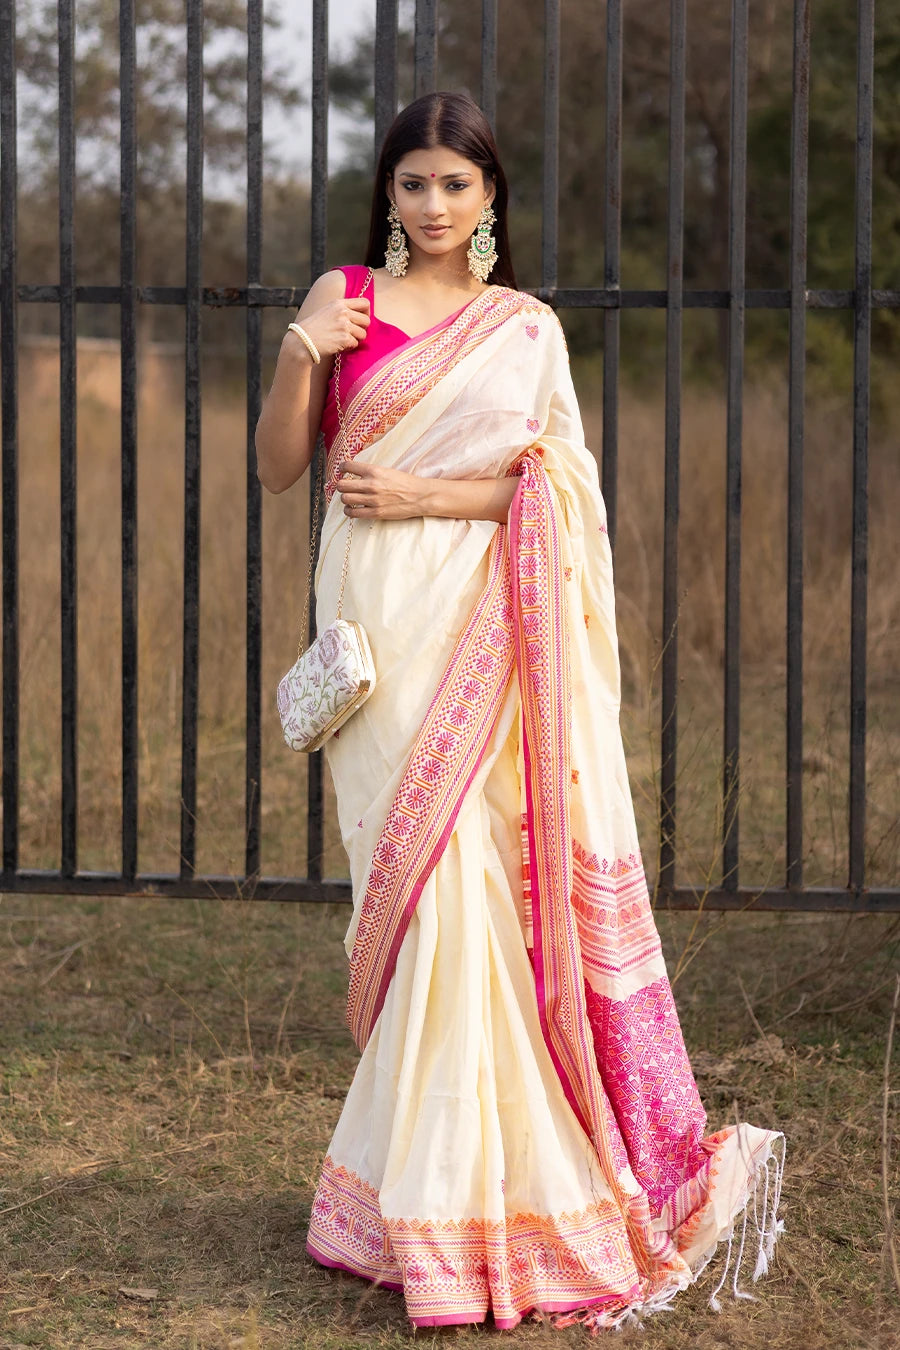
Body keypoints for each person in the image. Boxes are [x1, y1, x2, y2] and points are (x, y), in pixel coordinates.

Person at [256, 90, 784, 1333]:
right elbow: (281, 469)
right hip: (376, 639)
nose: (433, 205)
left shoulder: (525, 330)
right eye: (414, 183)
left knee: (477, 893)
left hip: (486, 625)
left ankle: (476, 1205)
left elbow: (559, 498)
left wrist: (428, 494)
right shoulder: (345, 301)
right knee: (417, 896)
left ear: (490, 194)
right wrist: (299, 349)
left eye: (456, 183)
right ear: (388, 193)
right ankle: (431, 1195)